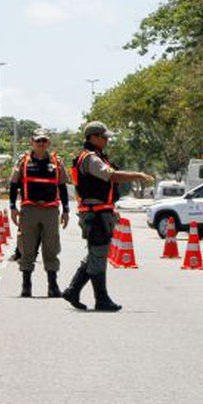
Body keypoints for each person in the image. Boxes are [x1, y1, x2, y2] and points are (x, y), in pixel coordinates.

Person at [62, 121, 154, 312]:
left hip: (98, 212)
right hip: (95, 215)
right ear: (93, 137)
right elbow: (110, 176)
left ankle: (73, 290)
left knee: (95, 254)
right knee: (98, 255)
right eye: (104, 137)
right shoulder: (91, 159)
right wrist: (137, 175)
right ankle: (101, 299)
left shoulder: (94, 156)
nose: (107, 140)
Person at [9, 130, 70, 298]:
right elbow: (13, 185)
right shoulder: (23, 162)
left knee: (51, 248)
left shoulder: (56, 163)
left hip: (50, 210)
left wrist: (66, 210)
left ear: (48, 143)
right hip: (29, 210)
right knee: (27, 248)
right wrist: (12, 207)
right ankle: (26, 285)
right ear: (32, 142)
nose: (41, 143)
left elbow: (63, 187)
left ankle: (53, 286)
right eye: (38, 141)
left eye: (44, 141)